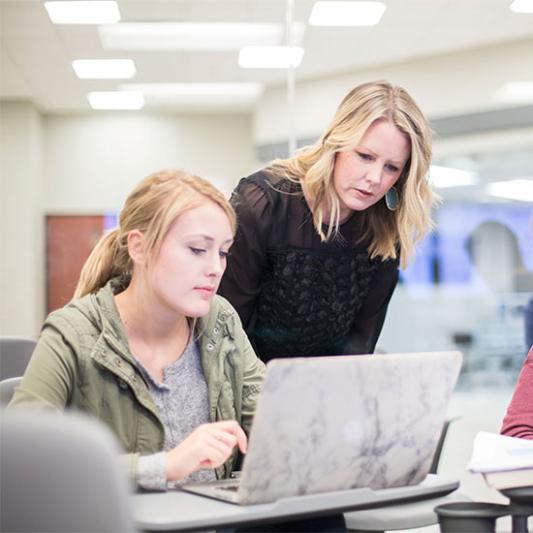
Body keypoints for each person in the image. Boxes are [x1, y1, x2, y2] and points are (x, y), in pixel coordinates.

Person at [9, 169, 266, 490]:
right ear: (139, 247)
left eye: (223, 251)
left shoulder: (221, 320)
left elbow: (270, 418)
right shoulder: (72, 332)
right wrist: (165, 466)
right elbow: (22, 462)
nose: (215, 268)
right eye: (198, 250)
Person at [219, 80, 436, 362]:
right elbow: (227, 332)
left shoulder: (383, 231)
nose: (374, 178)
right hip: (247, 386)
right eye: (365, 156)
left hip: (330, 391)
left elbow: (361, 344)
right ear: (336, 143)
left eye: (391, 167)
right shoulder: (263, 204)